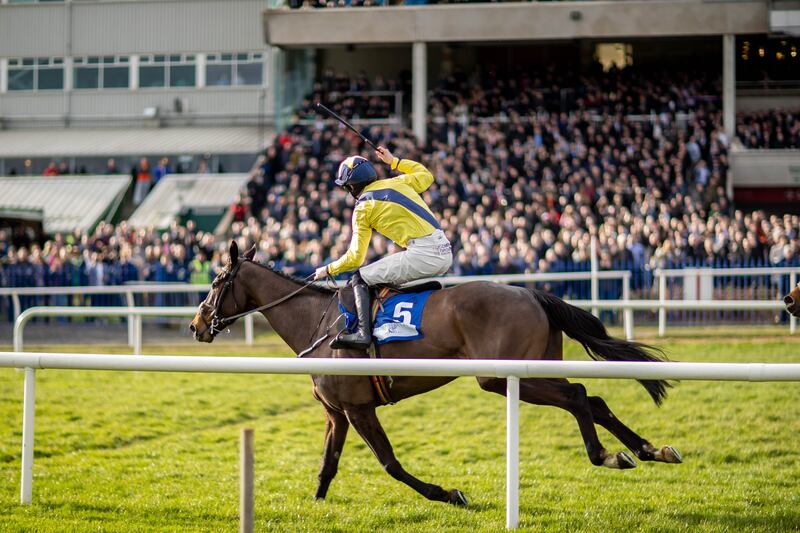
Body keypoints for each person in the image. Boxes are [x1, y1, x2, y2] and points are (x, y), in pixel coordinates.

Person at [314, 146, 452, 350]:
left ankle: (363, 333)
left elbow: (355, 258)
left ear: (351, 187)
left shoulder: (362, 208)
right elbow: (426, 176)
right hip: (444, 250)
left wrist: (328, 269)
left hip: (423, 253)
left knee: (359, 277)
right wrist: (394, 161)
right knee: (380, 275)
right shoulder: (397, 182)